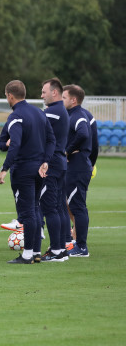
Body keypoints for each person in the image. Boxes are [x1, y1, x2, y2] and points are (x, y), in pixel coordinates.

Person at [0, 80, 55, 265]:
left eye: (6, 96)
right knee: (35, 209)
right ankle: (35, 251)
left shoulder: (16, 117)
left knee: (27, 213)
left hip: (24, 171)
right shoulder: (39, 113)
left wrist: (4, 169)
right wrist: (46, 161)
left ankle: (27, 254)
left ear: (10, 95)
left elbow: (15, 144)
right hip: (39, 170)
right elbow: (52, 140)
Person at [38, 78, 70, 262]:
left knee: (50, 208)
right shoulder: (61, 111)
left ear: (54, 92)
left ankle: (57, 250)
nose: (41, 95)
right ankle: (62, 248)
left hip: (51, 163)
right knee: (58, 207)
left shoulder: (52, 112)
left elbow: (36, 133)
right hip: (60, 162)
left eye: (44, 92)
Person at [62, 84, 94, 257]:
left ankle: (81, 247)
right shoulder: (72, 115)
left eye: (64, 97)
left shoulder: (78, 115)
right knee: (75, 205)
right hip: (75, 167)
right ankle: (77, 243)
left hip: (78, 167)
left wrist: (68, 150)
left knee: (78, 206)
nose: (62, 100)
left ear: (73, 100)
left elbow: (83, 134)